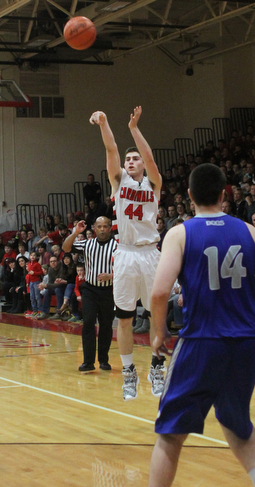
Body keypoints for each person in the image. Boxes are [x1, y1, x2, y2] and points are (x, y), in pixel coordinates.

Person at [146, 163, 255, 487]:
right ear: (223, 194)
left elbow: (159, 293)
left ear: (189, 196)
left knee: (171, 431)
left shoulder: (180, 233)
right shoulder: (249, 231)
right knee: (235, 419)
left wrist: (159, 333)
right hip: (247, 342)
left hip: (203, 340)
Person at [90, 106, 163, 401]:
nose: (131, 161)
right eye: (128, 159)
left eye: (135, 159)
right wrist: (104, 123)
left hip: (150, 253)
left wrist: (134, 128)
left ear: (142, 165)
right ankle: (129, 372)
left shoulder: (154, 183)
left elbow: (150, 158)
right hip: (126, 253)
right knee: (124, 318)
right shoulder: (118, 182)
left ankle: (157, 366)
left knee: (157, 316)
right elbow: (111, 149)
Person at [63, 217, 116, 371]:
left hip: (108, 290)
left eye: (105, 226)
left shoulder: (117, 245)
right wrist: (75, 232)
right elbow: (66, 248)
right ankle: (88, 362)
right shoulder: (87, 243)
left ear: (110, 228)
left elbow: (127, 267)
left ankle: (104, 360)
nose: (102, 229)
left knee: (106, 326)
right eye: (99, 226)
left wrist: (111, 275)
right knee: (88, 323)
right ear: (94, 228)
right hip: (90, 290)